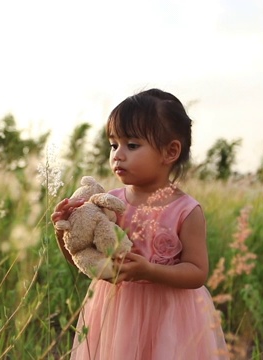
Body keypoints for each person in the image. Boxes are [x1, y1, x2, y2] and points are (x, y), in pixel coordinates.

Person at [51, 89, 229, 359]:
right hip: (116, 312)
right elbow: (82, 259)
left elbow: (197, 273)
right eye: (114, 145)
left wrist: (149, 270)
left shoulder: (186, 210)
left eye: (132, 145)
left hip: (171, 316)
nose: (118, 155)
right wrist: (63, 230)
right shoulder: (107, 202)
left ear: (170, 152)